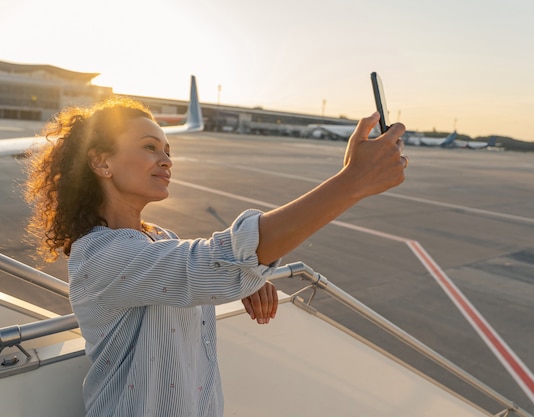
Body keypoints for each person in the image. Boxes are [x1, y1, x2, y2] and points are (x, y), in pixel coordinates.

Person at [24, 96, 407, 417]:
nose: (166, 159)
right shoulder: (103, 254)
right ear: (101, 162)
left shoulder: (159, 239)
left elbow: (205, 270)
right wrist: (352, 182)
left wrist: (247, 278)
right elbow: (215, 263)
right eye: (149, 147)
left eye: (167, 150)